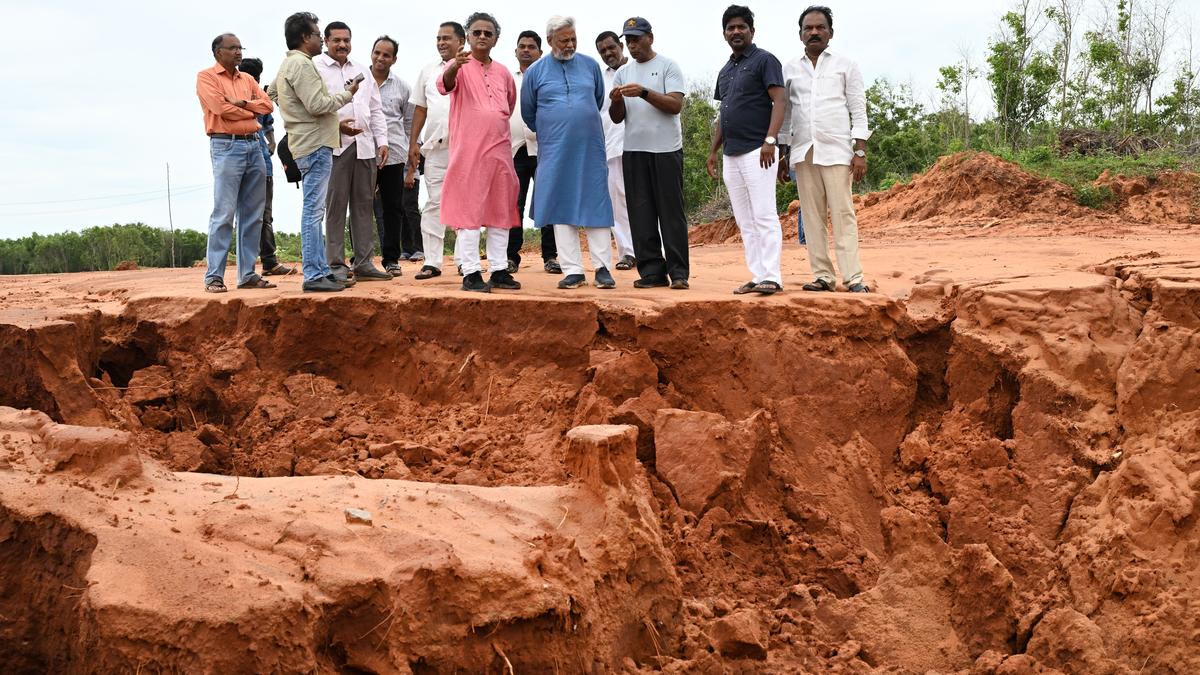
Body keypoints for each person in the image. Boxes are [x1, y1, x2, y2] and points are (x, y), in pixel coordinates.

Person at [778, 5, 871, 293]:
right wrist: (783, 152)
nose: (814, 32)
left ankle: (853, 277)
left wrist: (860, 151)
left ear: (831, 33)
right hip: (803, 151)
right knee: (812, 215)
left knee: (843, 214)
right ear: (800, 34)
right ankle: (823, 276)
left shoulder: (846, 64)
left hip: (837, 150)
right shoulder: (789, 68)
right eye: (809, 28)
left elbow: (858, 108)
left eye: (820, 28)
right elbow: (786, 112)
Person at [522, 16, 616, 290]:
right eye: (564, 40)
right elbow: (529, 113)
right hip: (554, 150)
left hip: (590, 148)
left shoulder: (590, 65)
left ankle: (602, 268)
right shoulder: (535, 72)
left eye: (573, 38)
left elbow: (597, 100)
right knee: (560, 205)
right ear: (550, 40)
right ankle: (573, 270)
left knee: (596, 203)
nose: (570, 44)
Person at [271, 12, 360, 292]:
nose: (321, 39)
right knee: (313, 212)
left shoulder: (288, 65)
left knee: (314, 210)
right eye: (317, 34)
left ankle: (320, 270)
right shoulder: (304, 65)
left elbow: (273, 93)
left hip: (305, 140)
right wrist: (349, 93)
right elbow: (318, 105)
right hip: (315, 144)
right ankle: (313, 275)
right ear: (304, 37)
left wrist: (295, 117)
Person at [438, 12, 522, 292]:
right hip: (469, 152)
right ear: (468, 37)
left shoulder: (503, 72)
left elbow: (508, 106)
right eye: (477, 33)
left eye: (488, 33)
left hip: (499, 151)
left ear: (496, 39)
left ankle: (499, 270)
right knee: (469, 212)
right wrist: (454, 67)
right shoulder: (457, 64)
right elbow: (444, 85)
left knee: (502, 210)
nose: (482, 37)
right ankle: (471, 273)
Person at [706, 5, 786, 295]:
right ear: (724, 33)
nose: (736, 32)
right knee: (744, 219)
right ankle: (757, 274)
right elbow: (724, 114)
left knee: (764, 214)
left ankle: (773, 276)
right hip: (732, 154)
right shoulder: (725, 71)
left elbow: (780, 101)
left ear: (752, 30)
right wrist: (714, 150)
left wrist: (771, 141)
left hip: (758, 150)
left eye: (741, 27)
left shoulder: (765, 61)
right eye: (731, 28)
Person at [609, 17, 690, 290]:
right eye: (628, 40)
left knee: (671, 214)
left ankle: (678, 272)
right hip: (634, 150)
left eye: (636, 38)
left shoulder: (668, 66)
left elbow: (675, 105)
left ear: (650, 38)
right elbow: (617, 118)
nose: (632, 45)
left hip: (666, 150)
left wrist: (644, 92)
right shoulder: (623, 73)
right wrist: (617, 101)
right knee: (641, 214)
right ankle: (652, 271)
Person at [195, 33, 274, 293]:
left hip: (254, 145)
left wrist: (241, 103)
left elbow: (268, 107)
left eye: (240, 47)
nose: (239, 52)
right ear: (218, 52)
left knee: (253, 215)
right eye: (233, 48)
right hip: (226, 145)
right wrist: (251, 108)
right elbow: (220, 108)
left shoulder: (248, 79)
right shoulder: (206, 77)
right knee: (224, 213)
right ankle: (214, 276)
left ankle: (247, 274)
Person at [314, 21, 392, 283]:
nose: (342, 45)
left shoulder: (362, 70)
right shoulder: (316, 68)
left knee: (363, 206)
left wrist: (383, 141)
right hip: (335, 145)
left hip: (365, 146)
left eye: (346, 40)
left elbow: (376, 108)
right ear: (325, 41)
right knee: (335, 206)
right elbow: (312, 107)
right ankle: (335, 264)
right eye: (336, 40)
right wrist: (337, 127)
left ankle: (364, 263)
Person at [407, 22, 465, 280]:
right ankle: (432, 262)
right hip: (436, 149)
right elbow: (420, 108)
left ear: (461, 42)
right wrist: (413, 143)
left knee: (465, 204)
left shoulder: (472, 68)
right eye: (438, 38)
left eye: (447, 38)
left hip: (466, 149)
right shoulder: (428, 71)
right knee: (434, 204)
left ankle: (466, 261)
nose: (441, 43)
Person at [507, 30, 561, 275]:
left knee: (548, 202)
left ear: (540, 52)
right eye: (522, 46)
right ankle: (510, 258)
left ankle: (550, 256)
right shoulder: (507, 78)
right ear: (515, 51)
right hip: (515, 150)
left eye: (531, 46)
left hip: (546, 149)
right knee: (514, 205)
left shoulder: (550, 77)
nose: (526, 50)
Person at [237, 57, 295, 277]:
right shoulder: (238, 98)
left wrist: (270, 143)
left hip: (262, 163)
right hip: (245, 161)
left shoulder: (262, 98)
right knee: (255, 215)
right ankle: (257, 263)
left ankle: (267, 262)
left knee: (263, 215)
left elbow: (269, 124)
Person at [369, 35, 414, 276]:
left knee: (392, 209)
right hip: (363, 154)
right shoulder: (359, 81)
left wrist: (410, 163)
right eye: (377, 52)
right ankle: (361, 258)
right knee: (360, 208)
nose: (380, 58)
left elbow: (408, 124)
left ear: (394, 59)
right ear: (371, 53)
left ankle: (391, 258)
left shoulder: (403, 87)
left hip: (394, 155)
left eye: (386, 54)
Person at [595, 31, 637, 271]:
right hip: (611, 148)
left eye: (611, 48)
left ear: (621, 46)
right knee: (617, 204)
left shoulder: (637, 70)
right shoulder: (600, 80)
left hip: (641, 146)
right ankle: (628, 253)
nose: (608, 53)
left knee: (644, 200)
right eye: (603, 51)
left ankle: (653, 251)